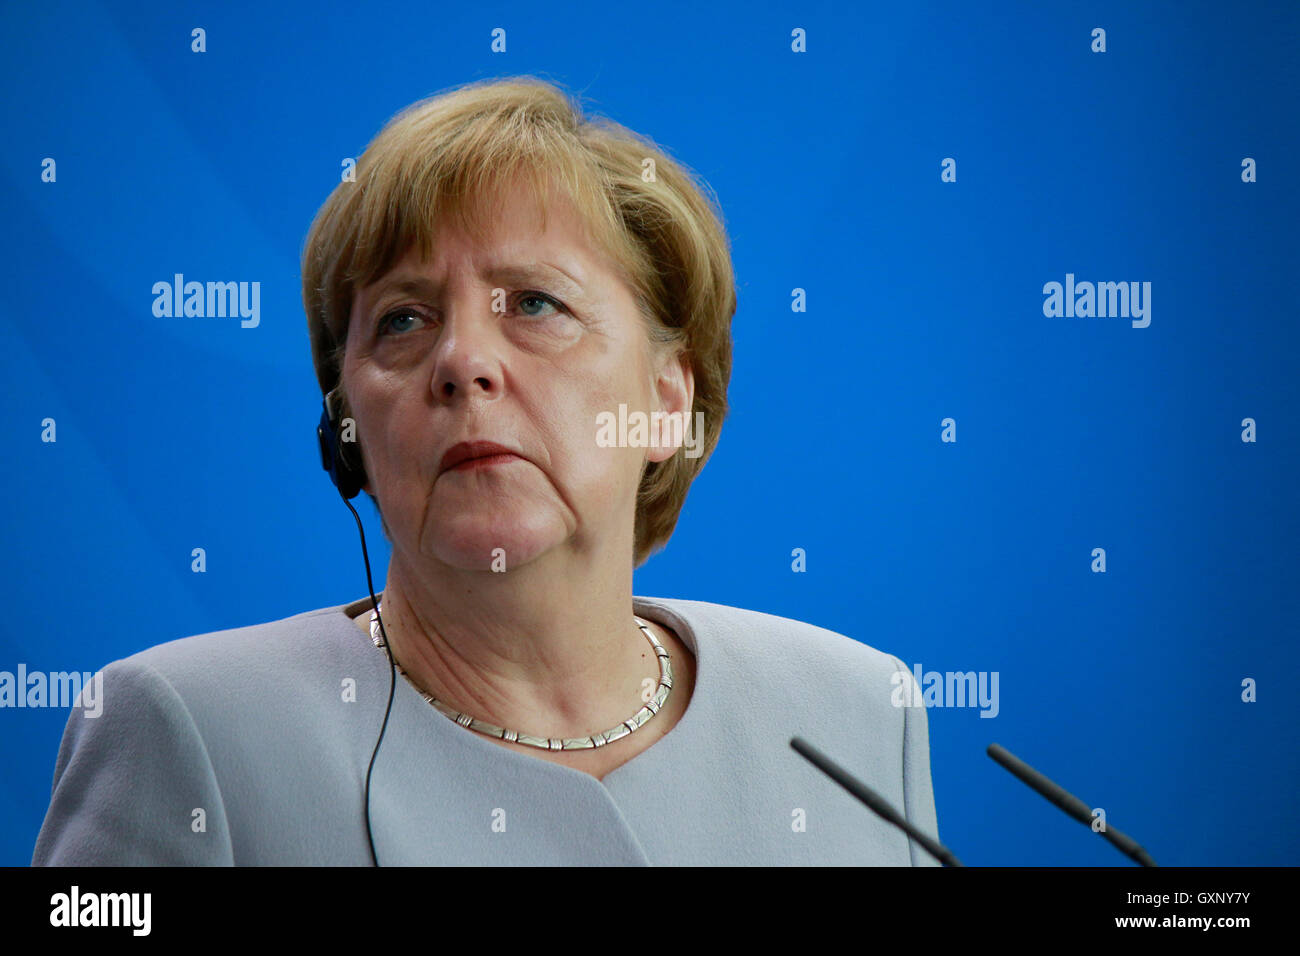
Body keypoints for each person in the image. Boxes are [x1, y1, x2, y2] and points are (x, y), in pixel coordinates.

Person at [32, 75, 939, 866]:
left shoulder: (857, 713)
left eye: (535, 304)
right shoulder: (189, 731)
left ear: (668, 402)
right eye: (402, 320)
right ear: (348, 435)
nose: (462, 360)